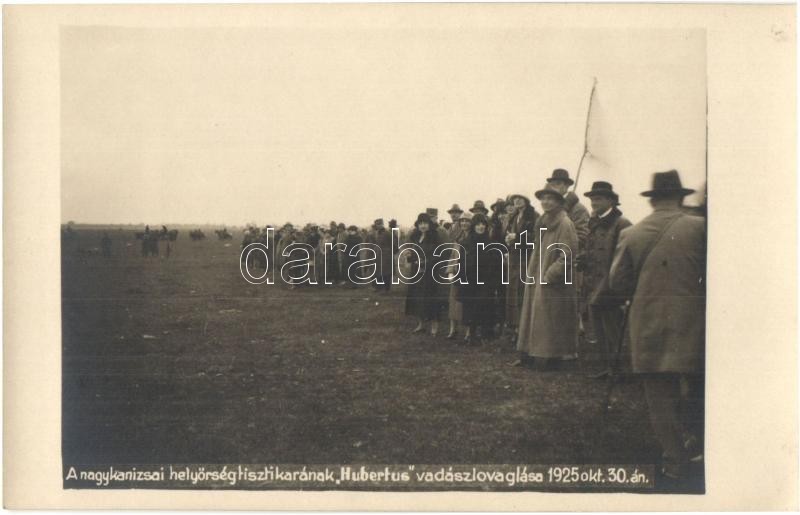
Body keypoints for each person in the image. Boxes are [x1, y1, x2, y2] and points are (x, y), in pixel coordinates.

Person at [608, 170, 706, 479]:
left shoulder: (631, 233)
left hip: (648, 322)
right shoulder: (700, 228)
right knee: (699, 384)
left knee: (659, 393)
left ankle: (674, 458)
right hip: (694, 321)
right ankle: (700, 443)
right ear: (679, 197)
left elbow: (617, 283)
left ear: (652, 200)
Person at [515, 183, 579, 370]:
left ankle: (553, 357)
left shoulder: (564, 223)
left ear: (559, 201)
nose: (546, 202)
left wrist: (550, 274)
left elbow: (567, 255)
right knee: (535, 317)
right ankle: (530, 352)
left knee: (552, 319)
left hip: (552, 281)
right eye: (543, 198)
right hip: (537, 276)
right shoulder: (543, 222)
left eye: (550, 198)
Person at [579, 181, 632, 378]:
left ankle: (620, 370)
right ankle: (608, 368)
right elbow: (591, 250)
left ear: (611, 200)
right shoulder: (594, 221)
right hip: (593, 284)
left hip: (610, 286)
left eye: (599, 198)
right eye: (592, 199)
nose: (594, 202)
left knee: (613, 330)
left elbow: (625, 258)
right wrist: (583, 259)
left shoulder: (621, 224)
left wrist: (617, 286)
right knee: (599, 329)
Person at [457, 213, 502, 344]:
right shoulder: (466, 242)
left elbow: (496, 265)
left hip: (485, 282)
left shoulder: (491, 243)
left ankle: (484, 334)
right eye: (477, 224)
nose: (480, 227)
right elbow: (461, 262)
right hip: (470, 281)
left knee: (484, 306)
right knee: (470, 307)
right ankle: (471, 334)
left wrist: (493, 282)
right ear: (473, 226)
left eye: (483, 224)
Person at [504, 193, 538, 343]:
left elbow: (536, 237)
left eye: (520, 198)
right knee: (513, 290)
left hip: (527, 258)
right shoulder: (514, 217)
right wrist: (508, 239)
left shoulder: (533, 216)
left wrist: (517, 237)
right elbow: (509, 234)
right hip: (514, 258)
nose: (516, 201)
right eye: (514, 199)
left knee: (524, 291)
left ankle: (525, 329)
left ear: (526, 200)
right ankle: (515, 327)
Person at [404, 213, 445, 336]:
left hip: (430, 273)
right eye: (420, 223)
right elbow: (414, 254)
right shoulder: (416, 236)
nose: (423, 226)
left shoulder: (435, 236)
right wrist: (409, 256)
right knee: (418, 297)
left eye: (425, 223)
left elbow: (439, 255)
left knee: (431, 298)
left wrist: (425, 262)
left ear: (429, 224)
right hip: (417, 272)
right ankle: (421, 324)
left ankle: (434, 325)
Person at [445, 211, 471, 339]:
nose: (464, 223)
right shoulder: (458, 238)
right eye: (462, 221)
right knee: (453, 301)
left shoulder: (472, 238)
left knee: (466, 303)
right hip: (456, 272)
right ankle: (453, 329)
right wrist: (450, 271)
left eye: (467, 221)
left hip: (467, 274)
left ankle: (468, 331)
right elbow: (453, 256)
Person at [370, 218, 393, 292]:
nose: (378, 226)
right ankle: (379, 287)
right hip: (378, 255)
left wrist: (389, 252)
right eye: (377, 224)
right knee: (378, 272)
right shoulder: (376, 233)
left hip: (386, 255)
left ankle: (386, 289)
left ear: (383, 224)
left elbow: (393, 245)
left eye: (380, 224)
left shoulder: (388, 233)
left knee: (386, 273)